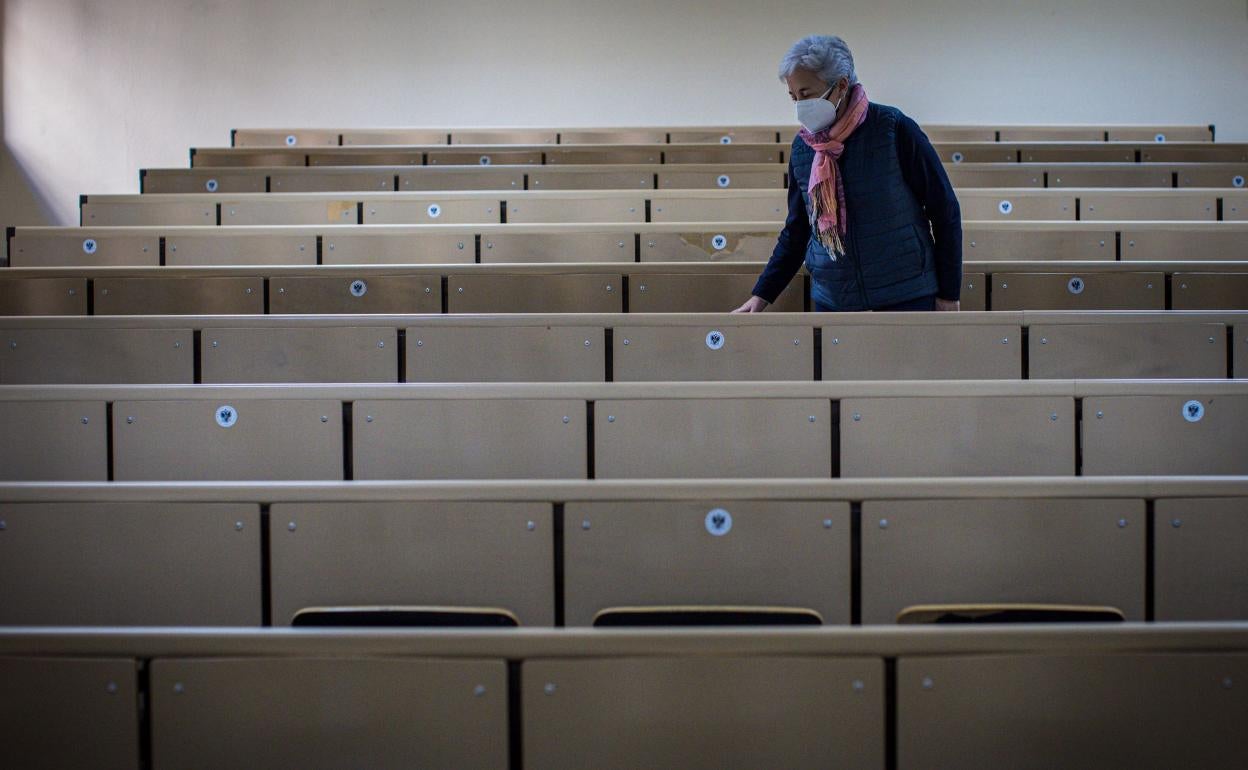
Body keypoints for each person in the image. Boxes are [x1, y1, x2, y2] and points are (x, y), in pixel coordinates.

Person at [734, 35, 962, 313]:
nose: (800, 106)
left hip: (905, 293)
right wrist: (762, 295)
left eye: (806, 95)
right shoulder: (804, 148)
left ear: (841, 85)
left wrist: (949, 294)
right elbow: (798, 229)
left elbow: (944, 210)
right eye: (793, 97)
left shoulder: (893, 129)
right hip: (835, 300)